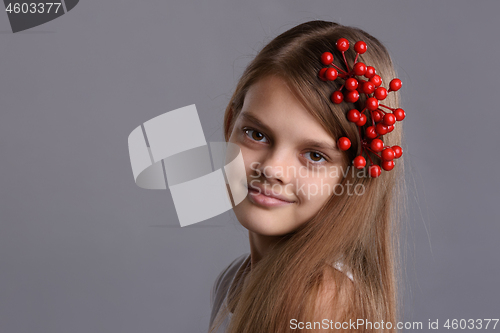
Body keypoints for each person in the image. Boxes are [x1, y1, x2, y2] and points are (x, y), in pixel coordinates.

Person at [208, 20, 406, 333]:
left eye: (314, 155)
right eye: (256, 134)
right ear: (231, 123)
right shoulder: (235, 280)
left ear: (354, 176)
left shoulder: (319, 303)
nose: (273, 168)